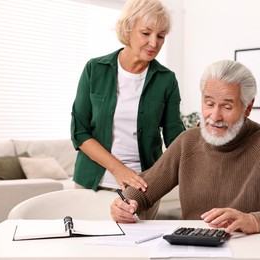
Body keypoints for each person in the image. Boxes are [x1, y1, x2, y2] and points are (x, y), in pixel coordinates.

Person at [110, 60, 260, 234]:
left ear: (248, 107)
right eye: (209, 104)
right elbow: (144, 190)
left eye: (227, 106)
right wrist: (126, 203)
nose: (214, 116)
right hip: (193, 249)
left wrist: (254, 221)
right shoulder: (187, 141)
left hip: (250, 250)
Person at [70, 0, 185, 219]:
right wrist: (119, 170)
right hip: (92, 184)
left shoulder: (166, 80)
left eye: (161, 36)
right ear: (128, 29)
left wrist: (198, 142)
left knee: (137, 252)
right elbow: (79, 131)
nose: (154, 43)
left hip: (143, 190)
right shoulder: (95, 69)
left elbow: (174, 138)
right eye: (146, 33)